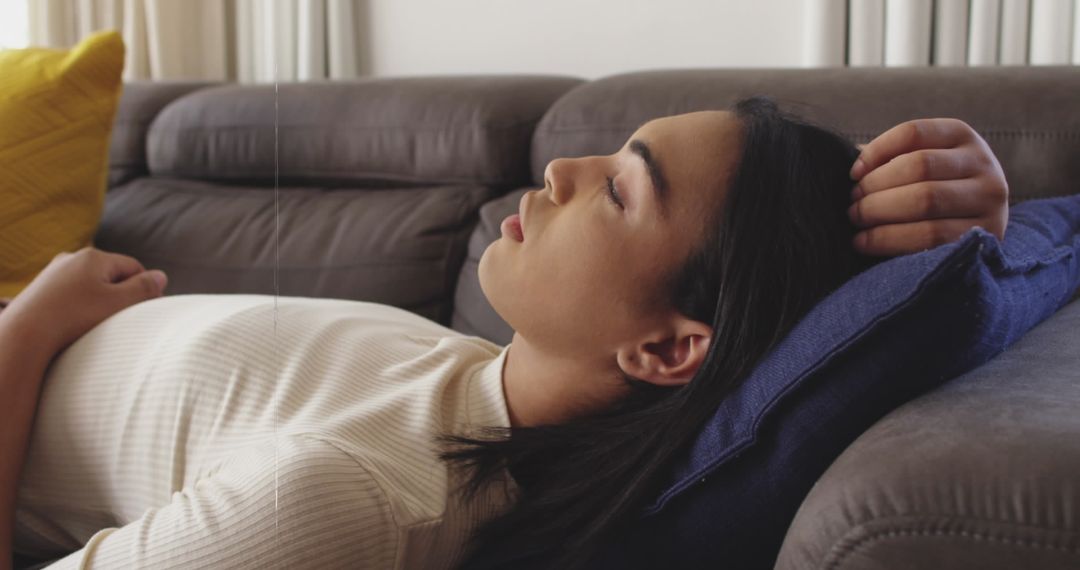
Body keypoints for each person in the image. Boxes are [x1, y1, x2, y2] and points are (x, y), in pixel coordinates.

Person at [0, 98, 1008, 570]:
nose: (565, 168)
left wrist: (31, 326)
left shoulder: (347, 499)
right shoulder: (477, 390)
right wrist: (963, 197)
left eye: (620, 188)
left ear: (666, 349)